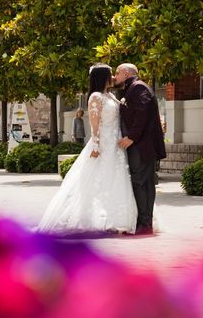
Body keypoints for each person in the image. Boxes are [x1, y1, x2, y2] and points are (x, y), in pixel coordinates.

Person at [37, 64, 137, 235]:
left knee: (116, 179)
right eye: (110, 74)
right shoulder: (95, 97)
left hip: (116, 144)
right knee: (99, 180)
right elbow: (94, 124)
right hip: (104, 144)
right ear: (102, 77)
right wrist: (96, 145)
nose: (113, 77)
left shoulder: (110, 96)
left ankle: (117, 218)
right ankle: (95, 219)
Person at [115, 63, 166, 235]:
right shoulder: (133, 88)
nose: (115, 77)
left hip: (142, 146)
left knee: (141, 183)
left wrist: (131, 137)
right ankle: (143, 222)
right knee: (142, 183)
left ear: (126, 73)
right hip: (140, 145)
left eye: (117, 73)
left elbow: (142, 113)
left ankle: (145, 225)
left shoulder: (138, 87)